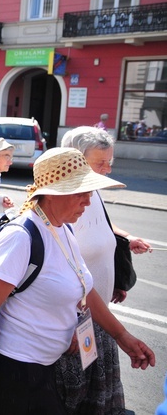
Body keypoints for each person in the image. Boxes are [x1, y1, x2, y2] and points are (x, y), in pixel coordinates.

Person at [0, 147, 155, 414]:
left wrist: (122, 336)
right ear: (53, 193)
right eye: (81, 193)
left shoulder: (63, 228)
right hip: (14, 373)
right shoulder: (21, 236)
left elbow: (84, 288)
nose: (88, 201)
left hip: (43, 370)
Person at [55, 127, 152, 414]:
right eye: (101, 163)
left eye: (110, 162)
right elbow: (62, 269)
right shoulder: (65, 202)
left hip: (99, 312)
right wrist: (70, 322)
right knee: (78, 395)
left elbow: (103, 228)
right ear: (75, 160)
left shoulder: (92, 191)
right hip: (77, 320)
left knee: (98, 391)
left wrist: (126, 242)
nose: (108, 169)